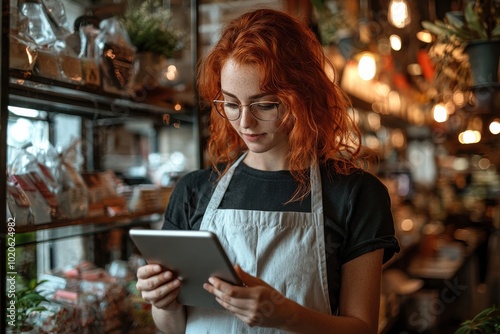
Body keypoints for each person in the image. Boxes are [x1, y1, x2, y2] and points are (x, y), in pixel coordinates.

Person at [136, 8, 400, 334]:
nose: (244, 123)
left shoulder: (356, 195)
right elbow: (173, 328)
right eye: (231, 104)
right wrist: (164, 303)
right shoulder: (193, 191)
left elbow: (362, 329)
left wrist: (284, 315)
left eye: (264, 104)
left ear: (302, 95)